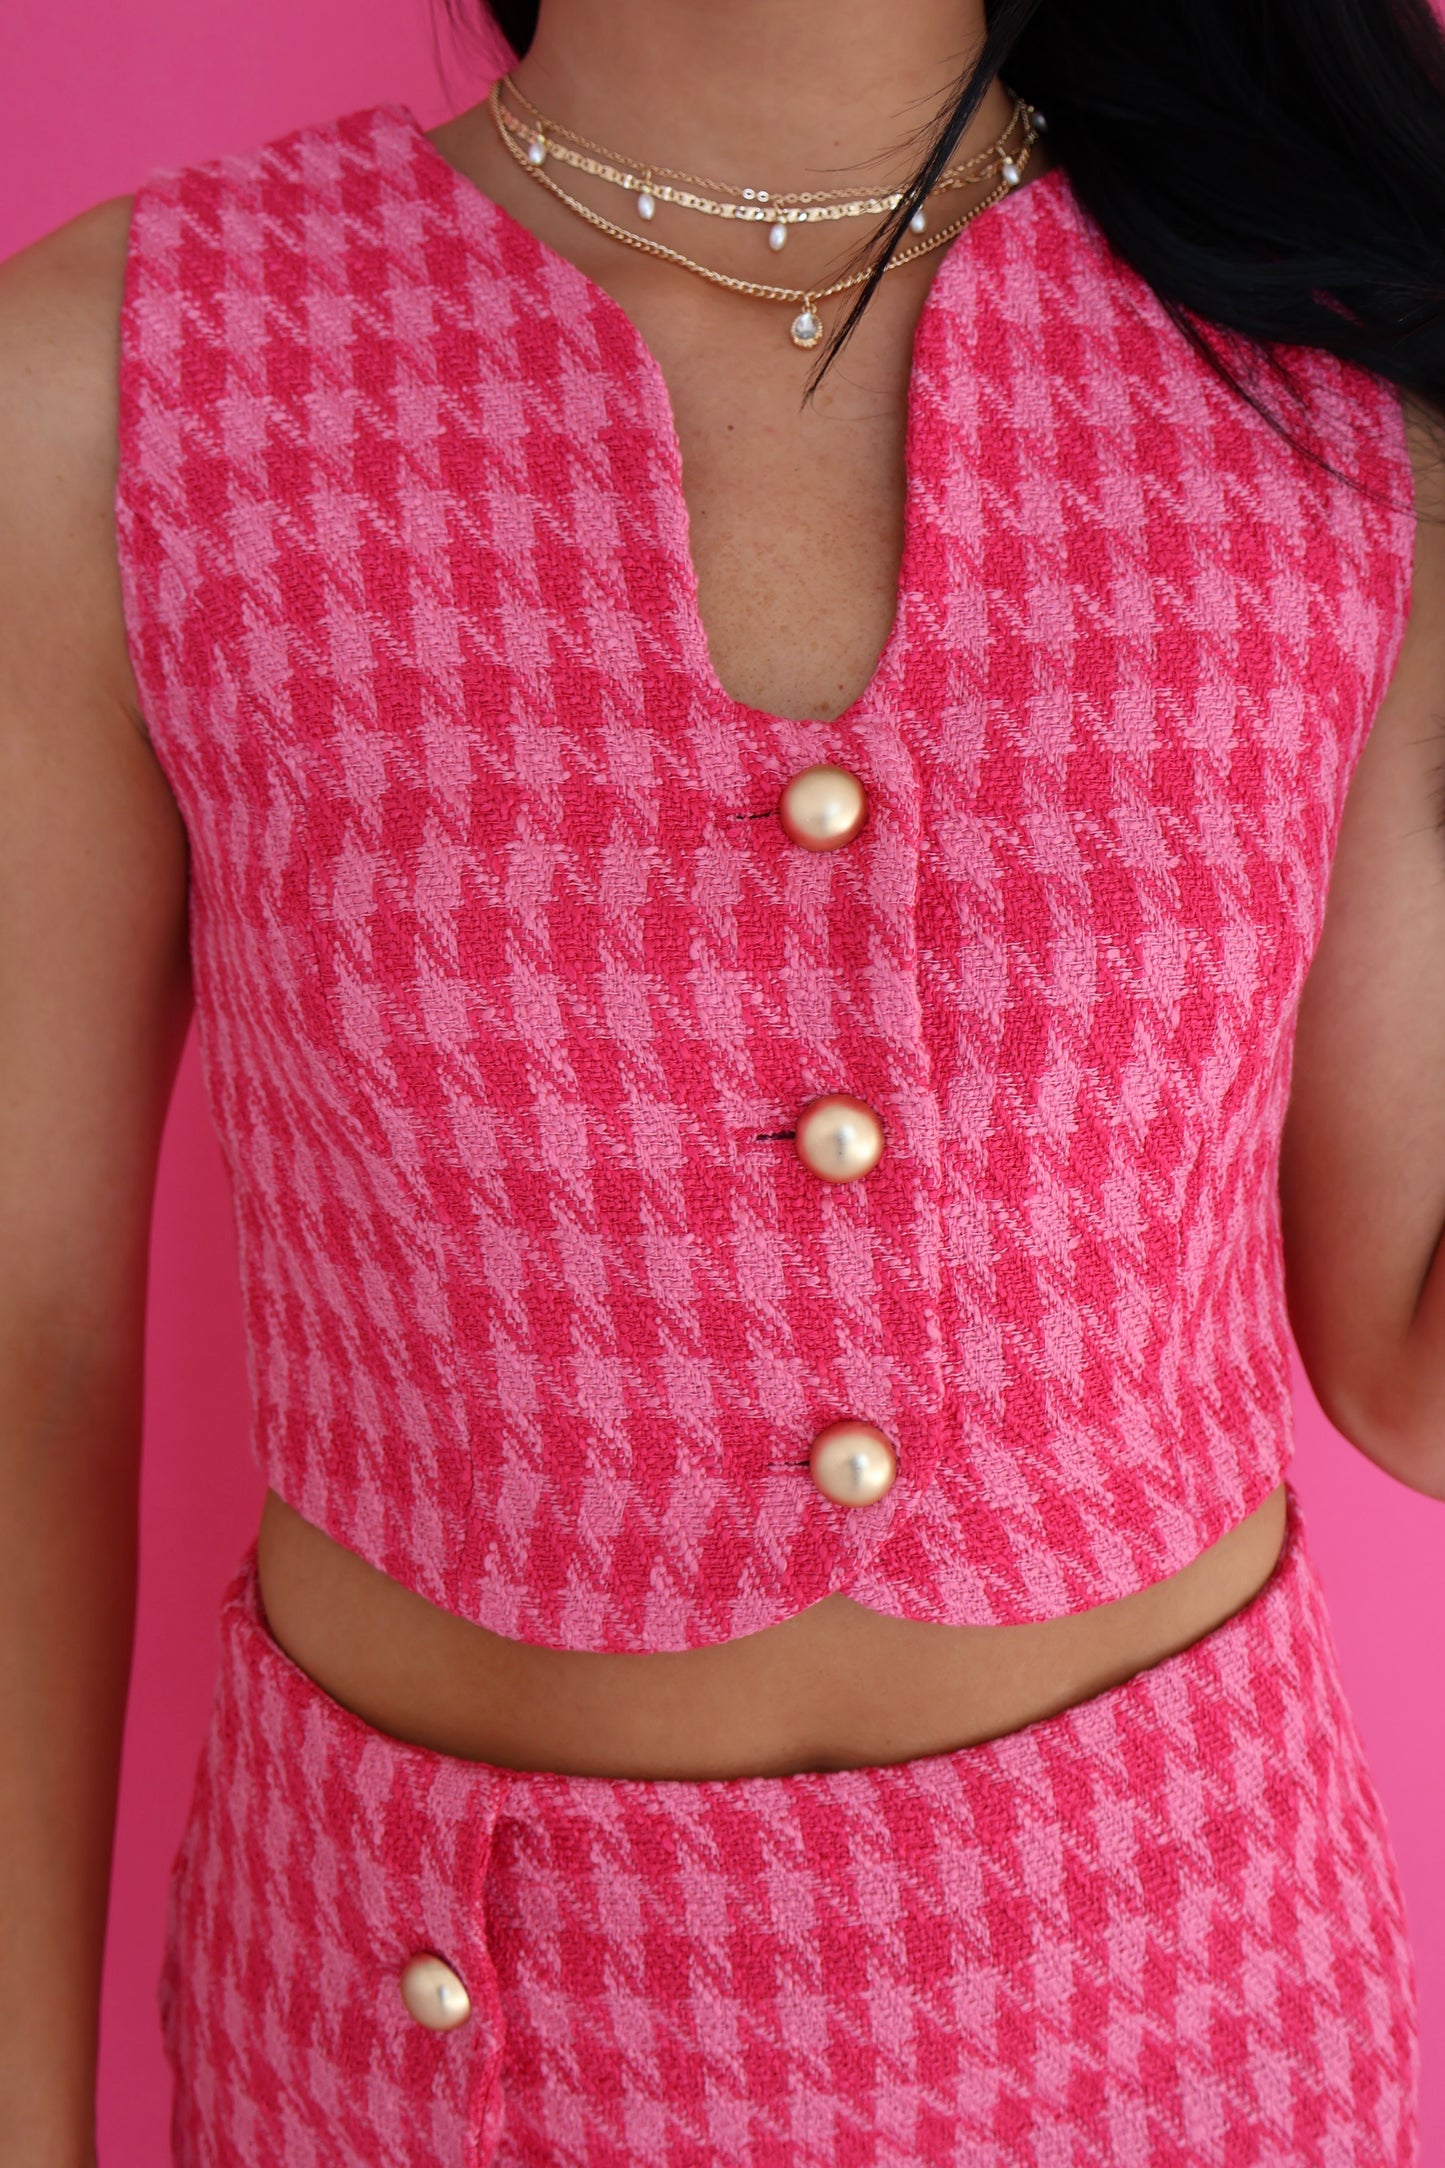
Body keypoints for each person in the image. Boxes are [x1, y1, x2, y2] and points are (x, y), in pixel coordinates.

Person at [3, 0, 1444, 2158]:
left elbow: (1412, 1350)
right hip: (416, 2061)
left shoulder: (1337, 396)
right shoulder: (118, 384)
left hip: (1199, 2025)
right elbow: (24, 1346)